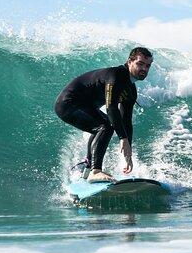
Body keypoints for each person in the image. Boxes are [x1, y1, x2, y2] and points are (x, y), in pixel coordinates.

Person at [54, 47, 153, 182]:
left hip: (84, 106)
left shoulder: (131, 90)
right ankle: (96, 171)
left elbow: (126, 120)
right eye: (140, 64)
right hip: (68, 103)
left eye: (148, 66)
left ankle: (87, 169)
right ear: (130, 62)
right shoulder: (116, 75)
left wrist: (128, 152)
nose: (144, 69)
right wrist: (122, 139)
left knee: (101, 126)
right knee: (105, 125)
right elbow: (111, 108)